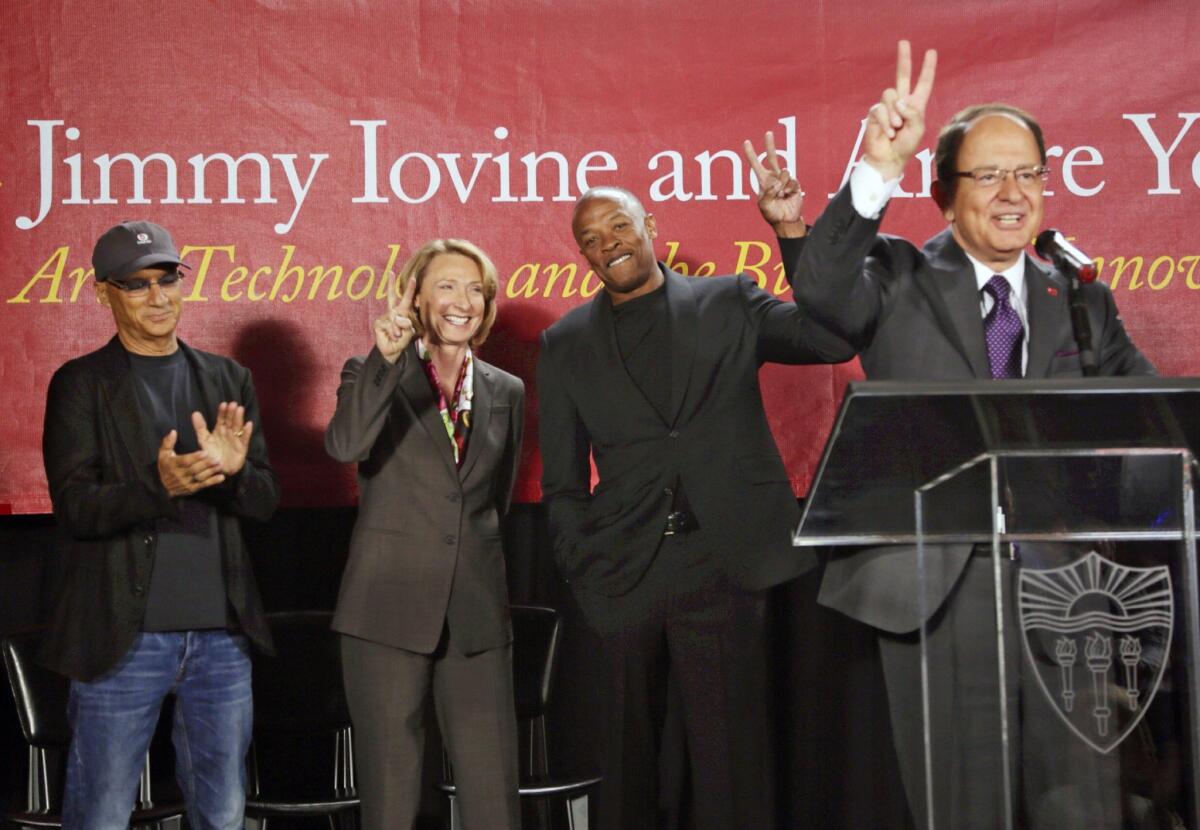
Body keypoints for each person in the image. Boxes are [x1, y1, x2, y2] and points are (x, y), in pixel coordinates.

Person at [778, 42, 1156, 828]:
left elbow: (1156, 423)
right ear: (946, 196)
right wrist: (874, 170)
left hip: (1071, 592)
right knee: (964, 811)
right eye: (988, 175)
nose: (1013, 192)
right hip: (940, 589)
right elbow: (818, 292)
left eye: (1029, 173)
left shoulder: (1080, 297)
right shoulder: (898, 275)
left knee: (1085, 808)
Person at [536, 175, 855, 829]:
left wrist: (790, 231)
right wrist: (583, 567)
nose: (608, 244)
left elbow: (832, 341)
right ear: (584, 257)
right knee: (626, 767)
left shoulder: (729, 300)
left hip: (724, 563)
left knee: (732, 766)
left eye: (618, 226)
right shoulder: (565, 343)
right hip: (624, 573)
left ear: (649, 223)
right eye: (591, 240)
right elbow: (563, 482)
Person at [41, 220, 280, 829]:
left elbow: (264, 502)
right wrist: (159, 487)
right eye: (137, 284)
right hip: (123, 641)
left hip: (221, 640)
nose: (157, 296)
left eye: (167, 278)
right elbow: (76, 508)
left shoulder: (228, 380)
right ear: (104, 293)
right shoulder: (81, 384)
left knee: (223, 814)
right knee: (101, 814)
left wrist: (228, 474)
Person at [325, 239, 525, 830]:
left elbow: (495, 501)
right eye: (446, 286)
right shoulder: (371, 371)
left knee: (494, 806)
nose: (462, 301)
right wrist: (386, 361)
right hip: (385, 613)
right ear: (415, 295)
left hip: (476, 618)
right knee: (392, 805)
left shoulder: (506, 390)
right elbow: (345, 445)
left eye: (475, 289)